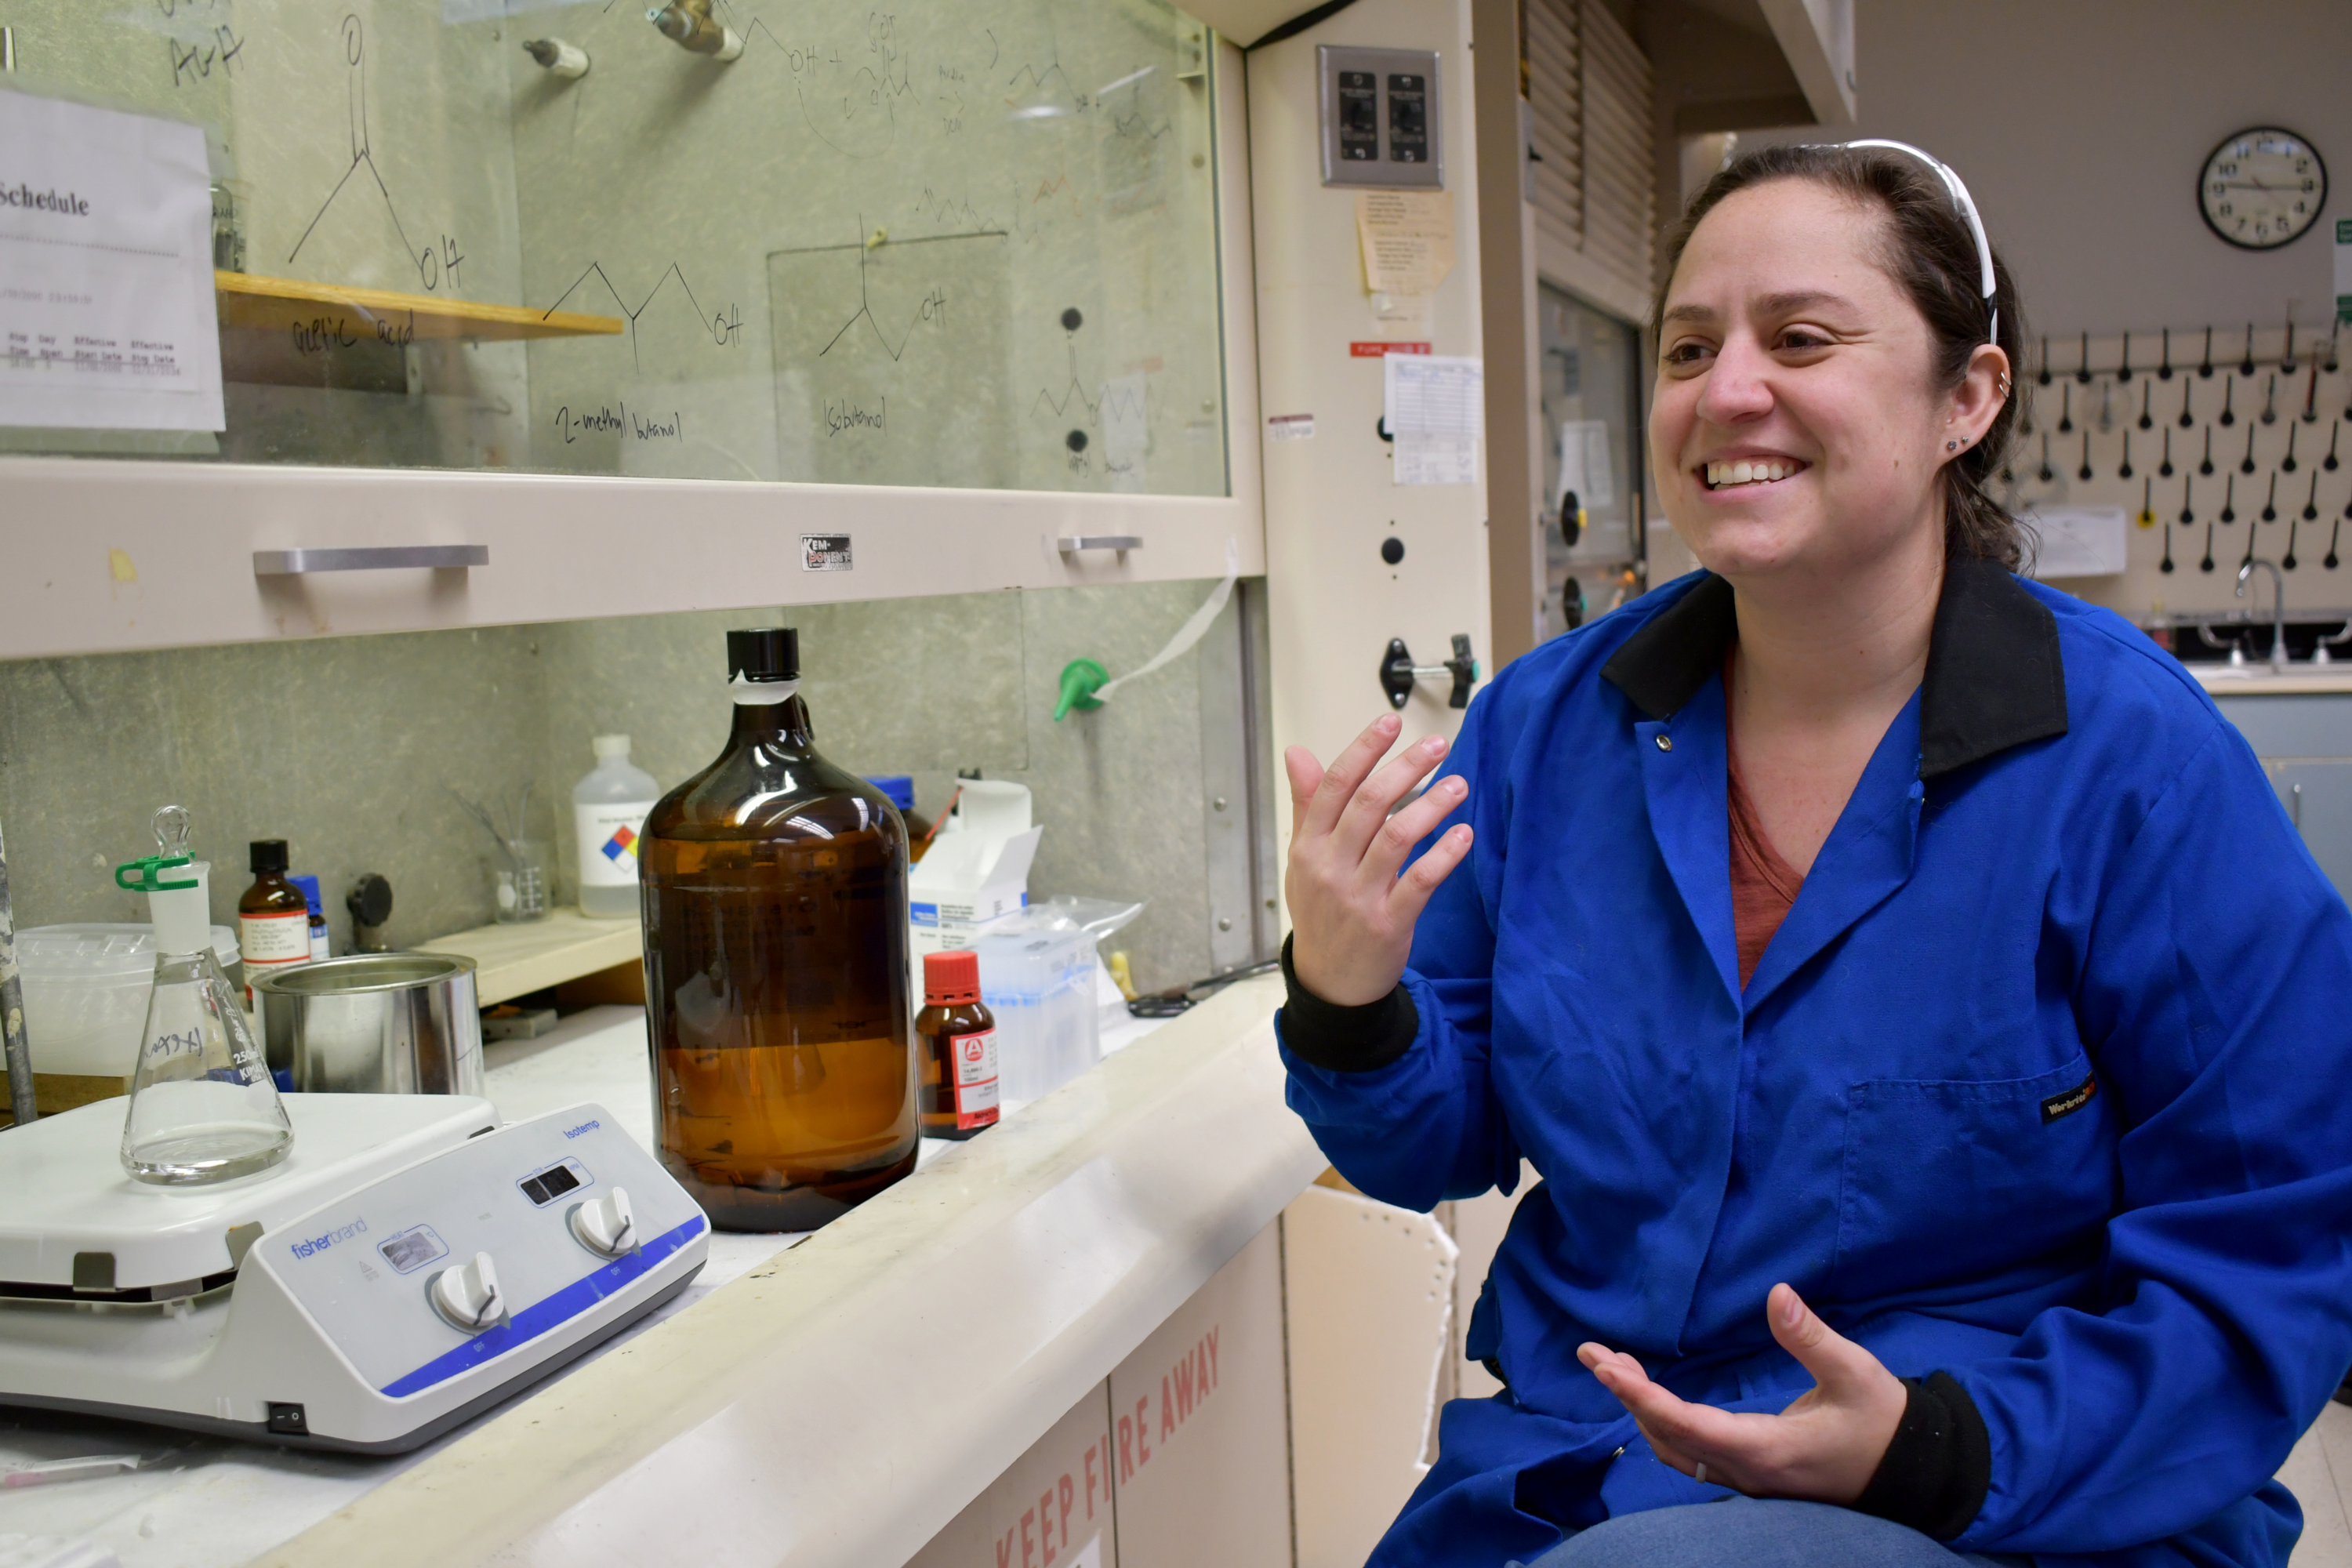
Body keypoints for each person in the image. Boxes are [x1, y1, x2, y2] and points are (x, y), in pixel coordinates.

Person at [1276, 141, 2352, 1568]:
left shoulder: (2132, 766)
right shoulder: (1545, 731)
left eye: (1801, 339)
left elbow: (2272, 1252)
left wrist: (1935, 1444)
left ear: (1966, 398)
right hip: (1582, 1468)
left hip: (2025, 1495)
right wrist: (1347, 994)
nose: (1727, 392)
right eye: (1687, 348)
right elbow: (1434, 1149)